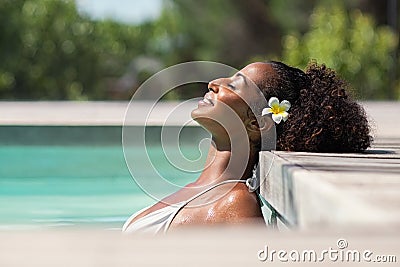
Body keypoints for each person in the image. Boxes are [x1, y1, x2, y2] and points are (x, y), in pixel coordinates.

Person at [122, 61, 372, 234]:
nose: (213, 83)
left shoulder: (236, 203)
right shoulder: (201, 190)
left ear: (258, 123)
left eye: (233, 85)